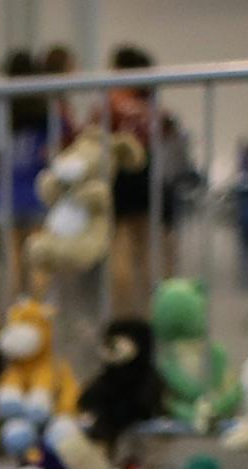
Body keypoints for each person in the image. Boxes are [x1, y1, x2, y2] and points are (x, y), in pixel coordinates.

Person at [102, 48, 163, 313]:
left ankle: (122, 311)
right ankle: (149, 309)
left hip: (121, 172)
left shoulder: (112, 99)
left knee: (120, 245)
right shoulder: (148, 105)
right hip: (144, 170)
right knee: (145, 246)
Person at [1, 50, 51, 293]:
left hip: (9, 190)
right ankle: (38, 308)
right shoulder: (45, 112)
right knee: (38, 255)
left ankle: (16, 309)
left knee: (15, 258)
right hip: (38, 189)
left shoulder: (3, 111)